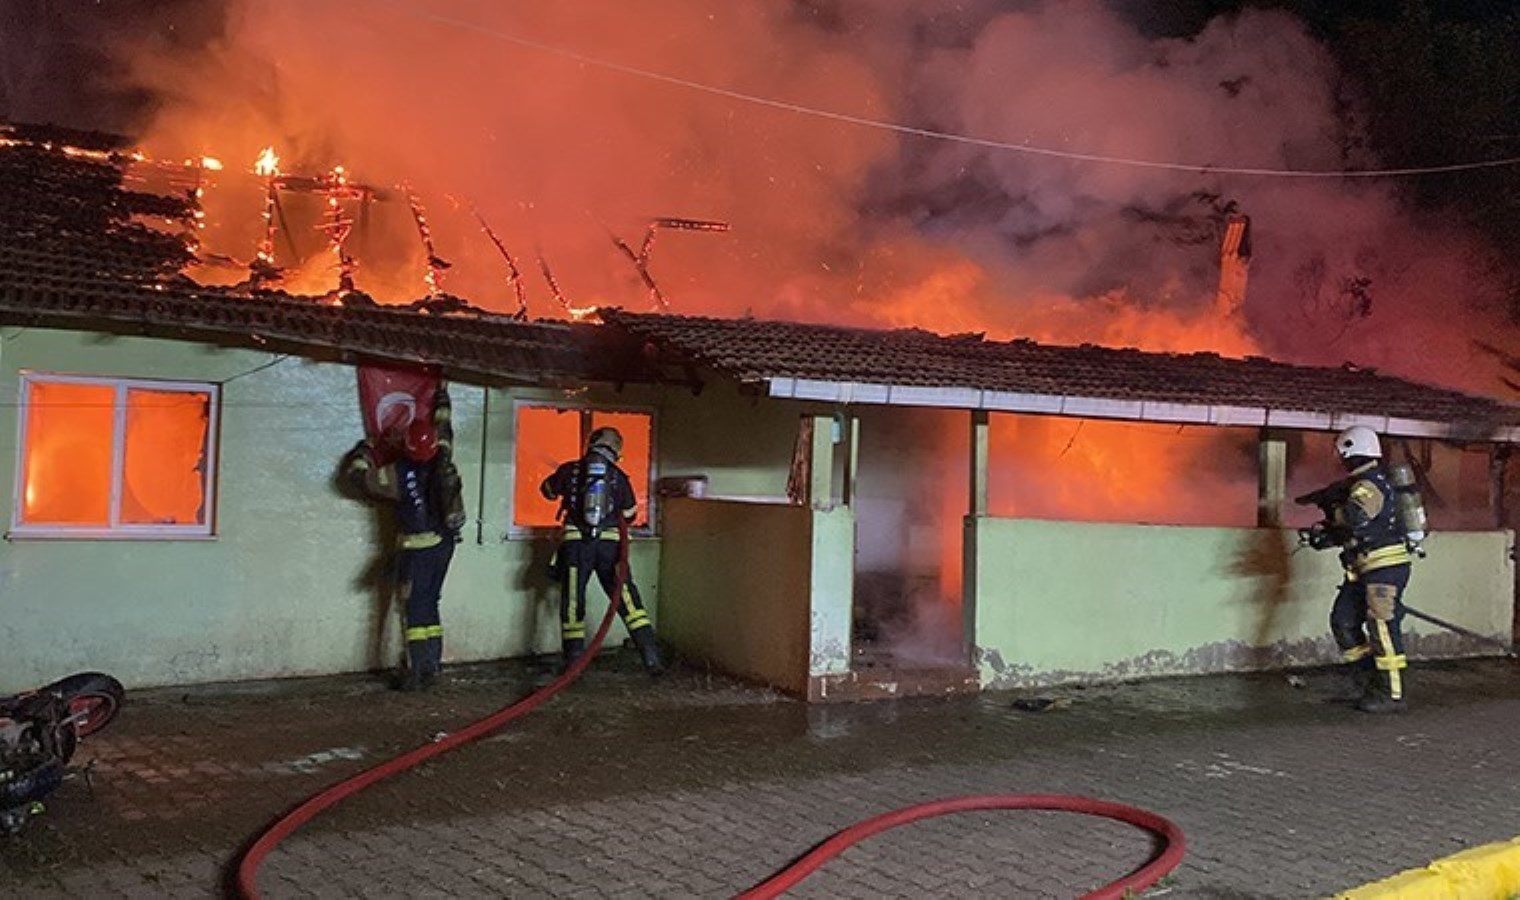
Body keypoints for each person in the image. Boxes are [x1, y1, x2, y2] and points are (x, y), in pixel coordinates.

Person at [343, 385, 464, 691]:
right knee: (431, 604)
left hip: (416, 549)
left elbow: (358, 479)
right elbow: (445, 425)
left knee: (413, 609)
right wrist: (442, 396)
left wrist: (364, 451)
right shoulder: (444, 457)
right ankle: (432, 667)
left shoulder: (396, 473)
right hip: (445, 545)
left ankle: (415, 671)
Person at [1296, 425, 1413, 714]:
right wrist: (1327, 535)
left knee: (1382, 628)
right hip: (1363, 568)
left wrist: (1332, 506)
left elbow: (1356, 515)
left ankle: (1392, 693)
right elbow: (1356, 530)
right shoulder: (1358, 484)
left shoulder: (1368, 484)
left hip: (1384, 567)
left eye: (1342, 453)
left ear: (1351, 450)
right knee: (1343, 621)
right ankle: (1366, 684)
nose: (1340, 459)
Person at [540, 427, 663, 676]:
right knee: (627, 599)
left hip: (576, 546)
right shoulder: (619, 476)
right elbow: (629, 514)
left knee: (573, 601)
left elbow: (547, 491)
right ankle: (650, 656)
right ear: (616, 449)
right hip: (610, 548)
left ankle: (573, 662)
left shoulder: (569, 470)